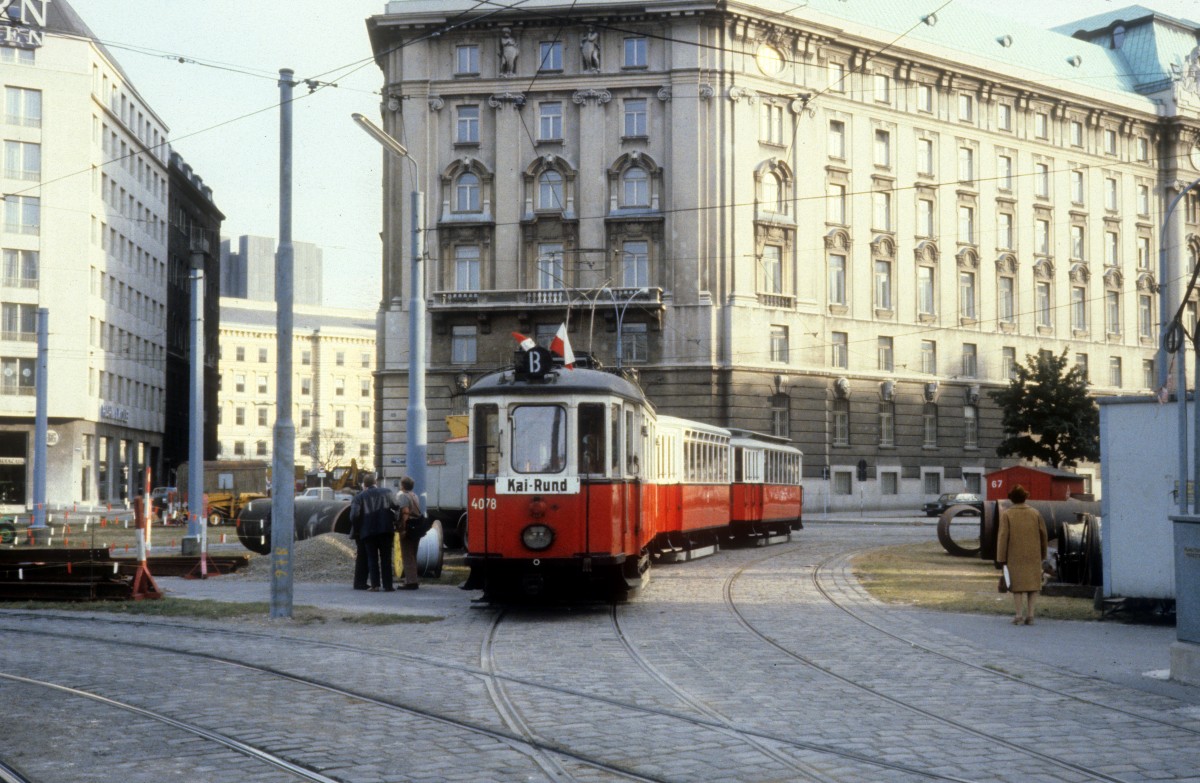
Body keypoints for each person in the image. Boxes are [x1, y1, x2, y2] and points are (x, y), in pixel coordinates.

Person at [996, 484, 1049, 625]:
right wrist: (1043, 554)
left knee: (1017, 586)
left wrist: (1001, 558)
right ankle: (1030, 615)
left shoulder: (1007, 514)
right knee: (1033, 586)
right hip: (1033, 554)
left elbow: (1003, 537)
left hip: (1014, 555)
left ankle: (1018, 615)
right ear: (1025, 497)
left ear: (1012, 499)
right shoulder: (1035, 513)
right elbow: (1043, 535)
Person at [348, 474, 396, 592]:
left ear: (364, 485)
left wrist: (358, 527)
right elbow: (396, 506)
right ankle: (388, 585)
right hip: (386, 530)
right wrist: (394, 520)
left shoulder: (359, 497)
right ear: (375, 482)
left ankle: (375, 585)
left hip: (368, 532)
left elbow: (354, 515)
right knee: (386, 558)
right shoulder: (387, 492)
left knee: (372, 558)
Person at [394, 476, 422, 590]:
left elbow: (405, 512)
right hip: (416, 527)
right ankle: (413, 579)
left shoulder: (403, 496)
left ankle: (411, 582)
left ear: (402, 485)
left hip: (408, 527)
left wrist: (403, 529)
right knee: (413, 554)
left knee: (407, 554)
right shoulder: (414, 495)